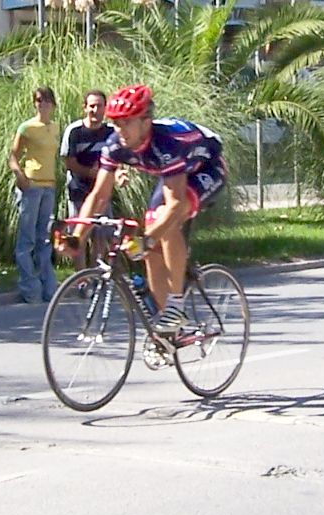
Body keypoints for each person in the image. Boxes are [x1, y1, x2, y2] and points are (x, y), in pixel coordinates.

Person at [66, 83, 226, 333]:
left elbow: (175, 205)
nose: (120, 130)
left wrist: (146, 240)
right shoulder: (115, 144)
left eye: (127, 122)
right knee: (149, 242)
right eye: (116, 123)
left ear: (146, 121)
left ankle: (176, 305)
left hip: (207, 169)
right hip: (174, 175)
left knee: (164, 220)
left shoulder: (167, 143)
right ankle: (167, 329)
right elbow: (98, 196)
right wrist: (77, 237)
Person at [8, 86, 60, 304]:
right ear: (34, 103)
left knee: (44, 239)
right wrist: (19, 175)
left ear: (53, 104)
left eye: (46, 100)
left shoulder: (55, 127)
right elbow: (13, 156)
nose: (42, 104)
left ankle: (48, 288)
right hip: (32, 186)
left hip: (49, 187)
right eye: (39, 100)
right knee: (27, 240)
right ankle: (30, 287)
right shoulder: (27, 127)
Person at [59, 90, 114, 272]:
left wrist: (119, 174)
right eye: (92, 106)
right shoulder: (74, 131)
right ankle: (81, 278)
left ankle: (96, 274)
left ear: (105, 108)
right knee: (79, 236)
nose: (95, 110)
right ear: (85, 108)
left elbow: (119, 159)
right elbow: (69, 162)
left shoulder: (111, 132)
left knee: (101, 236)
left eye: (99, 106)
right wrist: (91, 173)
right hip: (78, 191)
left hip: (102, 193)